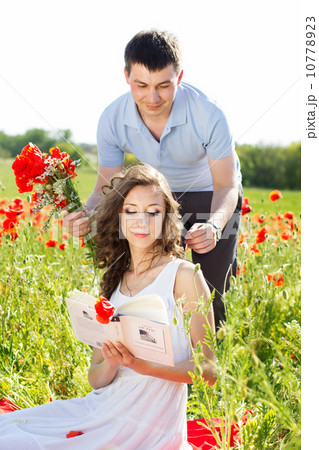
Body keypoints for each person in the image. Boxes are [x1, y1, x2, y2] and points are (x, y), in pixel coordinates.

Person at [0, 164, 217, 449]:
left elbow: (209, 369)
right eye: (131, 211)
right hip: (101, 409)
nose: (142, 221)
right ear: (118, 217)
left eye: (153, 211)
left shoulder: (184, 275)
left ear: (166, 217)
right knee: (11, 434)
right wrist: (114, 361)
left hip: (150, 427)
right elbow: (96, 379)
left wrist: (143, 365)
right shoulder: (115, 281)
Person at [63, 30, 243, 328]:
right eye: (141, 85)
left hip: (211, 193)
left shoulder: (209, 113)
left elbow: (226, 185)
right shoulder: (112, 118)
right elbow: (105, 185)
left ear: (179, 77)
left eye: (164, 85)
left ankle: (210, 362)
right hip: (156, 199)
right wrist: (86, 212)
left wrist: (213, 225)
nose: (153, 97)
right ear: (126, 76)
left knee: (210, 290)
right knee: (154, 280)